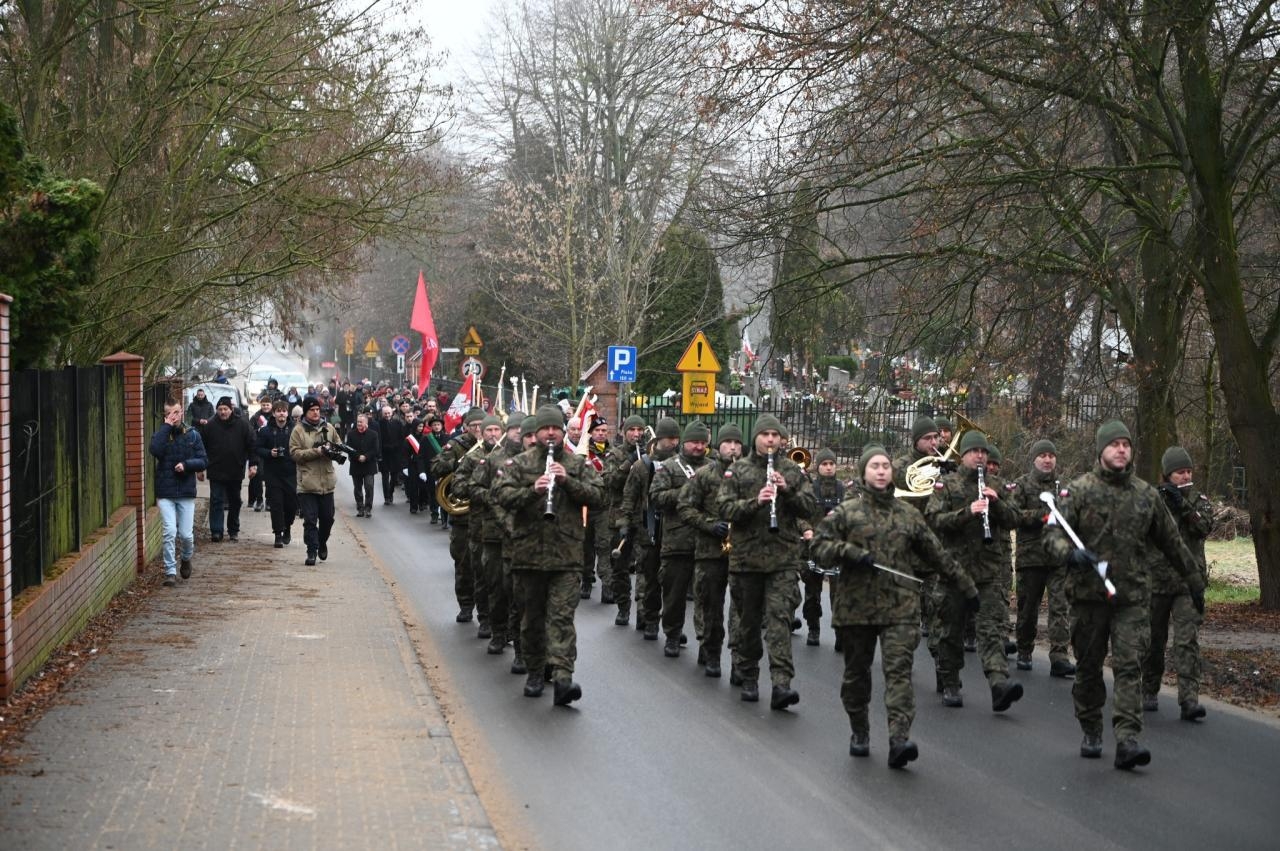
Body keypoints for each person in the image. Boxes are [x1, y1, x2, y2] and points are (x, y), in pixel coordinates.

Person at [1043, 420, 1206, 769]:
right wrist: (1069, 554)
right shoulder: (1079, 490)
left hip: (1131, 597)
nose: (1121, 449)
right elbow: (1053, 533)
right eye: (1114, 444)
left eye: (1126, 444)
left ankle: (1128, 739)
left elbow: (1173, 543)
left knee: (1130, 665)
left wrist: (1194, 580)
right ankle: (1090, 728)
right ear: (1101, 450)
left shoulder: (1146, 495)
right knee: (1088, 669)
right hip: (1089, 597)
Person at [813, 444, 978, 767]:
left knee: (899, 673)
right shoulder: (847, 512)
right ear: (863, 472)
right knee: (856, 674)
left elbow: (937, 554)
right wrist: (848, 552)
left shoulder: (908, 514)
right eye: (874, 465)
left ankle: (899, 738)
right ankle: (859, 731)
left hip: (899, 606)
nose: (881, 470)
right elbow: (819, 546)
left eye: (885, 465)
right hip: (856, 607)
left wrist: (966, 586)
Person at [493, 406, 604, 705]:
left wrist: (568, 482)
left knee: (562, 618)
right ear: (537, 433)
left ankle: (563, 678)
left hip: (566, 555)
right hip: (527, 555)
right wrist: (532, 490)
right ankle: (534, 671)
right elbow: (501, 496)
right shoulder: (519, 464)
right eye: (545, 429)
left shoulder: (576, 464)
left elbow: (599, 497)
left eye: (556, 428)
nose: (551, 433)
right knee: (532, 619)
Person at [716, 414, 817, 709]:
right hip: (746, 559)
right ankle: (748, 676)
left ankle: (781, 684)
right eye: (765, 435)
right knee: (748, 622)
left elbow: (809, 507)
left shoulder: (792, 471)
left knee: (780, 620)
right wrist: (755, 503)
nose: (771, 439)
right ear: (756, 438)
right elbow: (724, 507)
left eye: (776, 435)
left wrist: (787, 491)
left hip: (783, 559)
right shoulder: (739, 471)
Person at [925, 430, 1024, 712]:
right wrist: (967, 512)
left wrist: (998, 504)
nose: (980, 455)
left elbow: (1016, 518)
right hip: (954, 571)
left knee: (991, 630)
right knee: (950, 631)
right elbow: (934, 519)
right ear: (964, 455)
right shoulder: (947, 485)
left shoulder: (998, 485)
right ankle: (951, 682)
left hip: (988, 572)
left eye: (984, 451)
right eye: (974, 451)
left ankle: (998, 685)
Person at [1142, 446, 1214, 721]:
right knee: (1153, 641)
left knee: (1186, 641)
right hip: (1157, 581)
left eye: (1188, 471)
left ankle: (1189, 699)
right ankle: (1148, 690)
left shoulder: (1199, 500)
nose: (1185, 476)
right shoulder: (1152, 499)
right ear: (1167, 475)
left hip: (1188, 583)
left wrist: (1182, 504)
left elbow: (1203, 527)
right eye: (1179, 472)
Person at [679, 423, 743, 677]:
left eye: (737, 443)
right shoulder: (705, 475)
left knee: (742, 608)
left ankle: (740, 661)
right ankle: (711, 651)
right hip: (709, 550)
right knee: (711, 605)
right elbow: (685, 507)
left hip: (742, 552)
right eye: (728, 443)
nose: (733, 448)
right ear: (718, 446)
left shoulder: (749, 475)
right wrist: (708, 525)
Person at [1007, 439, 1074, 676]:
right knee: (1028, 608)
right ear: (1034, 459)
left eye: (1051, 456)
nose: (1048, 460)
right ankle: (1024, 650)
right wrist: (1041, 516)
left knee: (1060, 607)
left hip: (1057, 558)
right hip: (1031, 557)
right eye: (1043, 455)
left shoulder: (1062, 486)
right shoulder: (1022, 486)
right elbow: (1013, 516)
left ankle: (1059, 656)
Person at [649, 420, 712, 658]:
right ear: (684, 443)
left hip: (708, 542)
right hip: (677, 542)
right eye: (694, 442)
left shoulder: (713, 467)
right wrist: (687, 491)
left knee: (707, 597)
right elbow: (656, 497)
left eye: (702, 443)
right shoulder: (668, 467)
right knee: (674, 596)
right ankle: (673, 635)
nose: (698, 447)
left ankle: (707, 644)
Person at [470, 412, 526, 656]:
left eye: (522, 429)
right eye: (514, 429)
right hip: (494, 532)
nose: (518, 433)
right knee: (497, 586)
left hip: (523, 534)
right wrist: (492, 497)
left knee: (519, 589)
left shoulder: (533, 459)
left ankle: (518, 638)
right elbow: (473, 486)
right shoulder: (494, 459)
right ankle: (498, 632)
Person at [619, 417, 680, 638]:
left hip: (674, 530)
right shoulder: (642, 465)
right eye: (668, 438)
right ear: (659, 439)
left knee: (672, 581)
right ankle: (647, 617)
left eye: (675, 438)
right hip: (647, 528)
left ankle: (671, 625)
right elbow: (629, 497)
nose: (672, 443)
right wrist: (625, 524)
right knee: (648, 575)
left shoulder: (680, 465)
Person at [432, 407, 487, 623]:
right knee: (463, 564)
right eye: (473, 426)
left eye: (481, 426)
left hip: (485, 515)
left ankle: (487, 614)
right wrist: (456, 464)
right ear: (466, 427)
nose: (477, 429)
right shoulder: (456, 445)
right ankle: (465, 605)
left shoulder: (495, 447)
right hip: (462, 516)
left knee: (486, 568)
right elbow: (436, 466)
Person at [456, 414, 504, 640]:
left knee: (502, 581)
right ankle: (484, 618)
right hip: (479, 527)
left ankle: (502, 626)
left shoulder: (510, 457)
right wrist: (488, 493)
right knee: (483, 576)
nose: (493, 434)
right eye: (489, 430)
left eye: (496, 430)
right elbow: (459, 486)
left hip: (505, 529)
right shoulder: (472, 457)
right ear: (481, 433)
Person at [149, 400, 207, 586]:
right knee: (169, 531)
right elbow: (155, 450)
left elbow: (203, 460)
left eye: (177, 412)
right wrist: (166, 427)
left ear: (182, 413)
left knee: (186, 535)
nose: (174, 416)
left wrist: (187, 465)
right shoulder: (161, 434)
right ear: (166, 415)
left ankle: (186, 558)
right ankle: (170, 572)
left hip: (185, 491)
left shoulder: (193, 435)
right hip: (165, 491)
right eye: (170, 413)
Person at [603, 415, 648, 624]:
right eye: (632, 430)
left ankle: (643, 611)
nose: (636, 434)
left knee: (645, 566)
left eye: (640, 430)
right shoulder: (615, 454)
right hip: (620, 517)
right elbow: (610, 482)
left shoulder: (649, 455)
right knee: (620, 566)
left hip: (643, 518)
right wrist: (628, 463)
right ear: (624, 431)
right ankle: (623, 607)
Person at [289, 395, 342, 566]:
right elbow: (295, 454)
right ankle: (311, 551)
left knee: (328, 519)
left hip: (327, 482)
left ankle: (322, 542)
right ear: (305, 412)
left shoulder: (329, 428)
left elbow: (338, 445)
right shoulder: (298, 430)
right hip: (307, 483)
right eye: (312, 410)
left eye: (318, 409)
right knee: (310, 520)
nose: (315, 413)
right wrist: (316, 451)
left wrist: (332, 451)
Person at [202, 395, 258, 542]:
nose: (223, 412)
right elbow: (202, 448)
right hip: (216, 469)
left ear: (231, 409)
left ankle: (233, 530)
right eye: (220, 409)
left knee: (235, 501)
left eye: (225, 409)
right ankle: (216, 530)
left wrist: (252, 464)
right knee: (216, 500)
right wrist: (200, 468)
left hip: (235, 469)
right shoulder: (210, 426)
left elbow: (252, 444)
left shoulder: (243, 425)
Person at [804, 447, 844, 646]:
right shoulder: (810, 490)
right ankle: (813, 629)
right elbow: (802, 515)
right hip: (814, 548)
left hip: (837, 549)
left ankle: (840, 634)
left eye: (831, 464)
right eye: (824, 464)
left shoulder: (843, 489)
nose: (828, 468)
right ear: (817, 467)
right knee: (812, 593)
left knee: (839, 595)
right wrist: (807, 531)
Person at [256, 400, 298, 547]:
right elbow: (258, 449)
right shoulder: (266, 430)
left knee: (291, 505)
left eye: (284, 411)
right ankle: (278, 534)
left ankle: (288, 527)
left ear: (287, 413)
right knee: (276, 505)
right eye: (278, 411)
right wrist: (269, 453)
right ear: (273, 413)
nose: (281, 413)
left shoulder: (295, 430)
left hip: (291, 473)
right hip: (273, 474)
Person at [581, 416, 613, 601]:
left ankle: (607, 587)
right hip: (585, 507)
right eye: (597, 431)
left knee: (604, 547)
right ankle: (586, 580)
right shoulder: (583, 452)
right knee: (586, 548)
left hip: (603, 508)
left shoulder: (613, 453)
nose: (601, 434)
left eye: (604, 431)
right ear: (591, 433)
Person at [346, 412, 381, 518]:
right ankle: (360, 508)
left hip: (369, 464)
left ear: (366, 423)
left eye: (361, 422)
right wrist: (357, 456)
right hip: (356, 465)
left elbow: (375, 449)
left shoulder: (373, 434)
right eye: (358, 422)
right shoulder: (351, 434)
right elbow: (349, 448)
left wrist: (366, 456)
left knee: (369, 486)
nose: (359, 424)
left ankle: (368, 508)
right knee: (357, 488)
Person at [247, 395, 273, 512]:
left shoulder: (274, 416)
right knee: (257, 475)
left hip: (271, 450)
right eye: (263, 405)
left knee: (269, 476)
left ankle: (269, 500)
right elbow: (249, 431)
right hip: (258, 450)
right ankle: (259, 500)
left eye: (267, 405)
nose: (266, 407)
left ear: (271, 405)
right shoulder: (256, 417)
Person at [377, 404, 406, 505]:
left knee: (394, 476)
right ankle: (387, 497)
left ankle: (391, 492)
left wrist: (398, 448)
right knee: (384, 476)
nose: (387, 415)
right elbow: (378, 440)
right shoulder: (379, 424)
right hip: (384, 454)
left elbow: (402, 438)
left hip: (395, 454)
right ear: (382, 414)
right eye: (385, 413)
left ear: (392, 413)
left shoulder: (398, 423)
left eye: (389, 413)